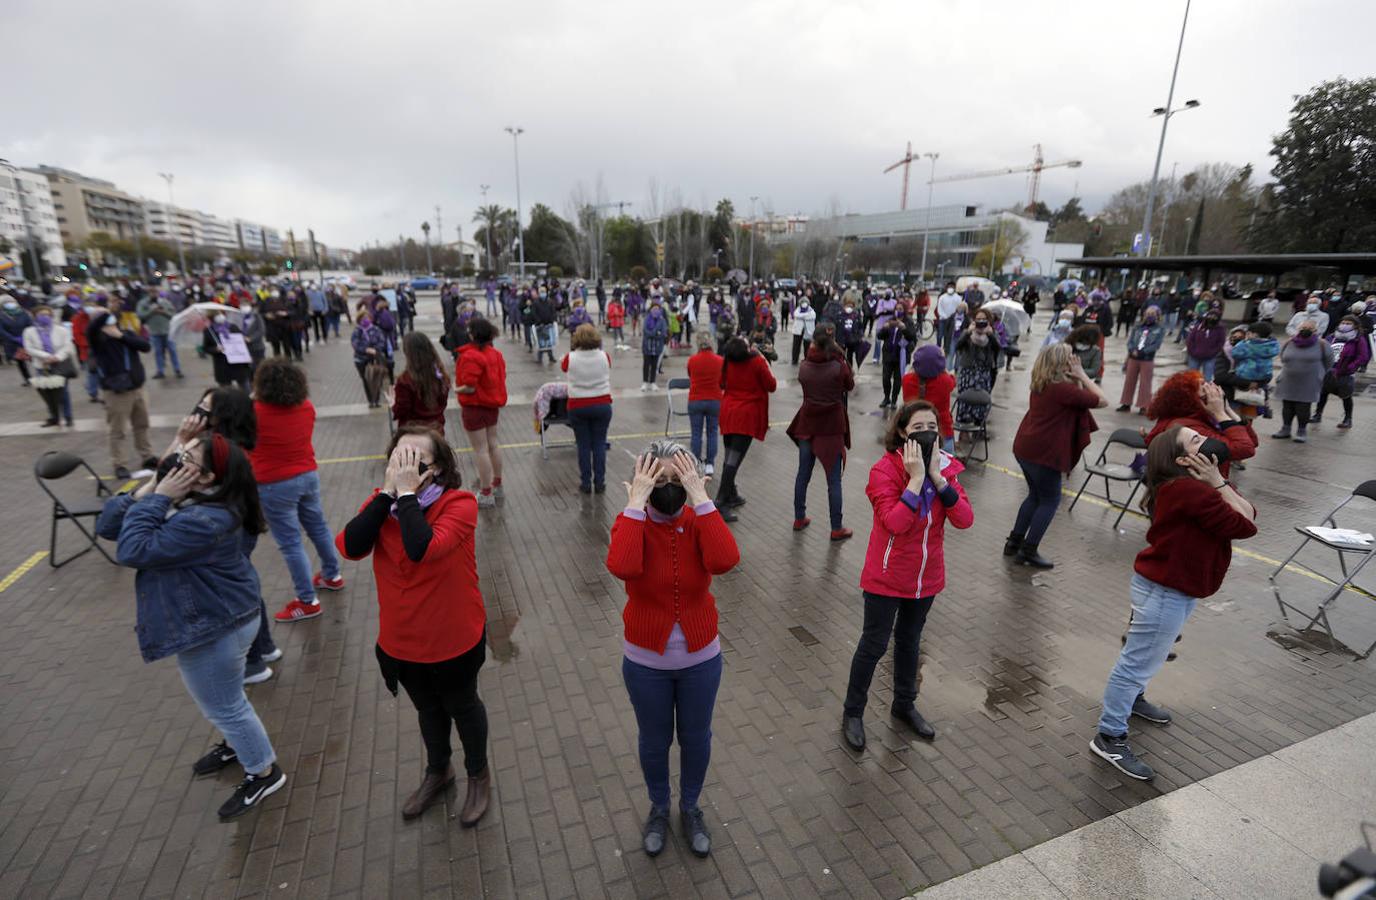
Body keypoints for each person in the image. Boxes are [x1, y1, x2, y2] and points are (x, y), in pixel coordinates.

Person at [95, 434, 288, 819]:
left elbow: (132, 550)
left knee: (224, 706)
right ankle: (239, 746)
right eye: (179, 454)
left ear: (207, 477)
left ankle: (263, 771)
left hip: (215, 628)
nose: (177, 462)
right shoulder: (200, 498)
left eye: (188, 459)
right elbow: (109, 525)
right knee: (228, 699)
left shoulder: (208, 518)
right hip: (220, 618)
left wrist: (158, 497)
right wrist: (152, 487)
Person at [335, 426, 491, 823]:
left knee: (463, 706)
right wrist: (390, 493)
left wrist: (405, 494)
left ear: (437, 469)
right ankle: (439, 770)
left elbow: (423, 548)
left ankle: (478, 775)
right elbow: (350, 546)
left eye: (415, 460)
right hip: (402, 642)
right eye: (398, 458)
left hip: (453, 637)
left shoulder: (460, 504)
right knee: (428, 711)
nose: (404, 466)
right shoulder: (382, 505)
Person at [1090, 425, 1257, 781]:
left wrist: (1217, 481)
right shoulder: (1190, 491)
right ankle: (1110, 735)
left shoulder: (1189, 486)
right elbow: (1245, 525)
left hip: (1169, 587)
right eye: (1195, 439)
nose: (1205, 438)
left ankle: (1133, 701)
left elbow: (1249, 513)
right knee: (1135, 662)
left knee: (1145, 656)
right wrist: (1218, 483)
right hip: (1165, 592)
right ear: (1182, 459)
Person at [605, 444, 741, 858]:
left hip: (701, 659)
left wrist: (701, 500)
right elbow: (623, 567)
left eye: (676, 480)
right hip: (646, 662)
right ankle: (660, 807)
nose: (668, 489)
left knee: (696, 737)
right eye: (658, 481)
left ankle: (691, 806)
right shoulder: (632, 522)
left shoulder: (699, 518)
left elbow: (725, 560)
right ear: (643, 483)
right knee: (654, 739)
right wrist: (634, 503)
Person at [841, 400, 973, 751]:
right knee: (874, 645)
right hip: (887, 577)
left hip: (925, 577)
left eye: (932, 426)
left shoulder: (946, 469)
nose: (927, 433)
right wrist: (916, 480)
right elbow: (896, 523)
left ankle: (904, 705)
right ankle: (853, 712)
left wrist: (938, 479)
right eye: (917, 429)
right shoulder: (885, 471)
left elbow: (964, 519)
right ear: (902, 433)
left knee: (910, 642)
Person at [249, 358, 347, 622]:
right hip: (307, 475)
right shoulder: (305, 407)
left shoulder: (255, 410)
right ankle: (332, 574)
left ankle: (307, 600)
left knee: (291, 543)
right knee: (318, 527)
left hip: (274, 483)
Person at [1007, 344, 1107, 569]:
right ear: (1062, 363)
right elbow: (1102, 400)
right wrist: (1082, 374)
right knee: (1050, 501)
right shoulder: (1063, 390)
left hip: (1025, 448)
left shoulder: (1041, 384)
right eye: (1070, 358)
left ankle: (1014, 543)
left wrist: (1077, 379)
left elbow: (1080, 396)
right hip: (1045, 454)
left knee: (1034, 496)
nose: (1074, 360)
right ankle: (1028, 550)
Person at [786, 324, 855, 540]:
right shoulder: (839, 364)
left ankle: (799, 517)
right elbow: (849, 385)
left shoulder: (805, 365)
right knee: (833, 481)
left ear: (813, 341)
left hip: (808, 425)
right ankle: (836, 527)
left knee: (803, 474)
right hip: (831, 427)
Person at [1145, 370, 1257, 478]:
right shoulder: (1188, 427)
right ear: (1191, 401)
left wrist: (1228, 411)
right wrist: (1220, 413)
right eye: (1206, 392)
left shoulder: (1203, 417)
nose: (1214, 395)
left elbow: (1252, 442)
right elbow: (1245, 449)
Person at [714, 336, 777, 523]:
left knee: (728, 457)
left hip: (728, 412)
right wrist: (764, 358)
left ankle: (731, 494)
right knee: (733, 460)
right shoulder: (757, 362)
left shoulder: (727, 362)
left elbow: (721, 383)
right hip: (746, 415)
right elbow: (771, 386)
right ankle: (720, 500)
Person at [88, 309, 157, 479]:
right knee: (117, 430)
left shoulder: (126, 334)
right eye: (106, 319)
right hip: (116, 392)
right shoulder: (98, 340)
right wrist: (103, 315)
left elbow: (145, 346)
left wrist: (121, 336)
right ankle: (120, 463)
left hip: (137, 388)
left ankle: (147, 456)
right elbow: (90, 330)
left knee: (142, 424)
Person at [455, 318, 507, 508]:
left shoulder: (470, 356)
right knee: (493, 444)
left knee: (480, 449)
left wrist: (456, 389)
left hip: (475, 407)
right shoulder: (496, 354)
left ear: (473, 334)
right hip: (491, 406)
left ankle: (486, 492)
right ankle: (497, 484)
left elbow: (469, 387)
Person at [561, 324, 613, 494]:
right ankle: (600, 482)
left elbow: (563, 368)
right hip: (602, 403)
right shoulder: (604, 356)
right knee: (599, 444)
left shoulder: (570, 357)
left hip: (578, 405)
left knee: (583, 445)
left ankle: (585, 483)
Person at [1271, 318, 1334, 442]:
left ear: (1315, 331)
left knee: (1303, 407)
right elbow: (1283, 358)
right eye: (1302, 328)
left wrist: (1319, 374)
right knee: (1287, 406)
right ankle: (1285, 428)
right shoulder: (1289, 342)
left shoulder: (1322, 344)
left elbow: (1329, 362)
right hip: (1288, 380)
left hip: (1309, 382)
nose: (1305, 331)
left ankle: (1301, 430)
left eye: (1309, 329)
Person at [21, 303, 76, 427]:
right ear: (35, 316)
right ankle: (54, 417)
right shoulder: (29, 331)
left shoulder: (61, 330)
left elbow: (68, 346)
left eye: (47, 314)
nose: (45, 317)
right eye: (41, 315)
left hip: (59, 365)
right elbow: (29, 348)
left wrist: (57, 357)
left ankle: (68, 417)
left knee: (63, 393)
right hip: (42, 366)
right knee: (47, 393)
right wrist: (46, 356)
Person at [1313, 316, 1371, 429]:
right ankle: (1317, 414)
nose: (1344, 325)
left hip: (1345, 373)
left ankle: (1348, 419)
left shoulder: (1358, 339)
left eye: (1348, 323)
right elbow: (1323, 349)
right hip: (1328, 371)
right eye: (1343, 322)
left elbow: (1363, 356)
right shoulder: (1332, 336)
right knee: (1323, 393)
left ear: (1355, 325)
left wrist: (1351, 367)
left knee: (1346, 396)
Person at [951, 308, 1001, 437]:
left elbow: (998, 349)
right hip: (968, 372)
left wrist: (991, 334)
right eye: (978, 319)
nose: (980, 322)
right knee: (965, 401)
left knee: (981, 401)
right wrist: (967, 332)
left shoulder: (992, 334)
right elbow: (958, 346)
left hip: (984, 373)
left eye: (984, 319)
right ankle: (963, 432)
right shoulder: (968, 333)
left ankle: (978, 429)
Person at [902, 344, 956, 454]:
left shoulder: (906, 380)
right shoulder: (946, 381)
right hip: (943, 431)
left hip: (915, 433)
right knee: (946, 468)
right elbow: (952, 379)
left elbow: (911, 372)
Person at [392, 331, 450, 432]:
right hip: (436, 430)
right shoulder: (440, 375)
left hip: (413, 432)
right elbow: (443, 403)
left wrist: (393, 402)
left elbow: (401, 411)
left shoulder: (405, 380)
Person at [686, 335, 723, 475]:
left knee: (696, 433)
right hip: (715, 399)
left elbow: (690, 375)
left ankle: (696, 462)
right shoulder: (720, 360)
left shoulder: (692, 360)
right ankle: (710, 464)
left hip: (696, 400)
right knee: (712, 433)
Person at [1118, 306, 1166, 413]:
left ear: (1158, 316)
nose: (1149, 316)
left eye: (1152, 314)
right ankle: (1126, 403)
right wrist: (1132, 350)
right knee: (1129, 380)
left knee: (1145, 382)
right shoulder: (1137, 326)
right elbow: (1130, 341)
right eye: (1147, 313)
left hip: (1147, 358)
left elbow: (1156, 345)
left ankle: (1143, 406)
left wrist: (1143, 351)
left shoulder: (1160, 328)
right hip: (1133, 357)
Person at [876, 306, 917, 409]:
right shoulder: (891, 321)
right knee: (886, 378)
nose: (898, 311)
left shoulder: (908, 321)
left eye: (901, 309)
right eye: (897, 309)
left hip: (901, 357)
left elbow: (912, 336)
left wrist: (904, 328)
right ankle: (886, 398)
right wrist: (884, 328)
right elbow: (879, 336)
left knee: (897, 380)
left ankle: (894, 400)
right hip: (888, 355)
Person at [137, 291, 183, 379]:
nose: (153, 294)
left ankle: (177, 370)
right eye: (151, 292)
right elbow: (140, 315)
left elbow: (173, 314)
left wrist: (163, 312)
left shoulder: (165, 302)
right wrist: (152, 311)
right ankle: (160, 371)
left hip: (168, 331)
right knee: (158, 352)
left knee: (172, 351)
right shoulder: (143, 303)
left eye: (155, 292)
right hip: (154, 332)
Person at [351, 311, 391, 408]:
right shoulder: (357, 331)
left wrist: (375, 349)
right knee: (366, 380)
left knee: (376, 379)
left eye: (367, 317)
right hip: (361, 360)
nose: (365, 320)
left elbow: (382, 342)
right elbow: (355, 344)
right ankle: (370, 400)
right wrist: (366, 349)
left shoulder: (376, 329)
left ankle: (376, 400)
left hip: (374, 359)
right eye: (363, 318)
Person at [203, 314, 252, 391]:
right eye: (217, 313)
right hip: (222, 365)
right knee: (226, 390)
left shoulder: (233, 327)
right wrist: (215, 349)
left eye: (221, 313)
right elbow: (206, 348)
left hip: (238, 363)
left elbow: (242, 341)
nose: (220, 316)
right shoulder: (209, 331)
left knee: (245, 387)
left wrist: (245, 340)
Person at [1184, 308, 1227, 380]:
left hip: (1210, 357)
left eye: (1215, 316)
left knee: (1207, 378)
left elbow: (1220, 343)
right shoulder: (1198, 326)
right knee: (1191, 377)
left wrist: (1213, 353)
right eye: (1210, 315)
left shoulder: (1220, 329)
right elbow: (1190, 339)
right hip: (1194, 356)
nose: (1212, 317)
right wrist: (1191, 350)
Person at [0, 294, 32, 385]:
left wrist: (26, 336)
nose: (9, 304)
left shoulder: (23, 313)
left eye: (10, 302)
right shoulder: (1, 316)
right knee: (20, 362)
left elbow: (30, 324)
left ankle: (40, 375)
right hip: (13, 343)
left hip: (27, 340)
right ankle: (27, 379)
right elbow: (1, 331)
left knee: (33, 359)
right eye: (6, 303)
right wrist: (13, 338)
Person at [640, 301, 669, 390]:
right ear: (651, 309)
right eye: (654, 308)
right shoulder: (647, 319)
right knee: (646, 365)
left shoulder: (662, 320)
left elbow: (663, 333)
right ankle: (645, 382)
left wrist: (655, 333)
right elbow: (645, 331)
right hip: (647, 346)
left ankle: (653, 382)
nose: (656, 310)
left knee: (654, 365)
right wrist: (656, 332)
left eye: (657, 308)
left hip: (657, 347)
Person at [789, 295, 817, 365]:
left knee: (807, 346)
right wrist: (805, 316)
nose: (804, 304)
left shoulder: (811, 311)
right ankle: (794, 360)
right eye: (803, 302)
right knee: (796, 346)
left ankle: (807, 359)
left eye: (805, 302)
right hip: (798, 331)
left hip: (808, 331)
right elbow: (796, 315)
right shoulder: (797, 310)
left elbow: (812, 316)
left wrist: (803, 316)